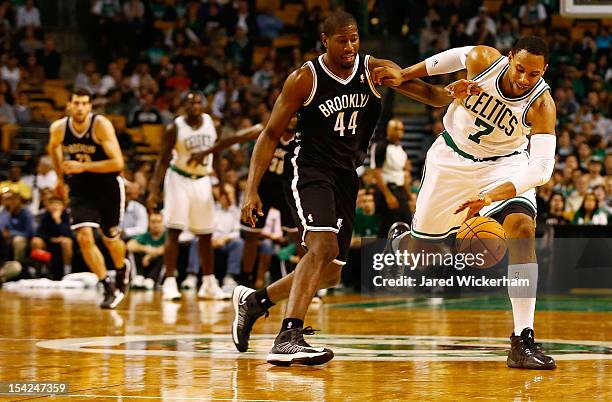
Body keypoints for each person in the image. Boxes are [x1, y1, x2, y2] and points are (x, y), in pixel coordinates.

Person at [234, 11, 467, 366]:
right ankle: (288, 335)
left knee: (329, 271)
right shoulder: (304, 79)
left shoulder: (374, 69)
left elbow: (432, 97)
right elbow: (268, 134)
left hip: (346, 174)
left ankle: (255, 302)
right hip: (308, 167)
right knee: (322, 244)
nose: (350, 46)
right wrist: (251, 189)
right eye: (342, 40)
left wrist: (454, 92)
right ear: (325, 41)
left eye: (354, 38)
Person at [374, 36, 557, 369]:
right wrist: (405, 74)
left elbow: (542, 169)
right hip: (452, 161)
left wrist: (490, 196)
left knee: (521, 228)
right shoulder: (482, 60)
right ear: (510, 57)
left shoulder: (541, 104)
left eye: (534, 74)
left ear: (544, 71)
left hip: (504, 165)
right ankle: (401, 241)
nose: (524, 79)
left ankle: (522, 339)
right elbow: (441, 68)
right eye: (520, 69)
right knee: (421, 256)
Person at [147, 91, 262, 301]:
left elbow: (216, 155)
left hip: (202, 180)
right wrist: (154, 190)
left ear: (204, 106)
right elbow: (162, 160)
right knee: (173, 231)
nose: (195, 106)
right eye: (190, 103)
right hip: (178, 178)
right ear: (184, 107)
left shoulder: (212, 124)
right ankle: (170, 282)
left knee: (206, 233)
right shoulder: (175, 128)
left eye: (199, 102)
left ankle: (209, 283)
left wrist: (221, 186)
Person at [48, 88, 131, 309]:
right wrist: (59, 178)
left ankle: (122, 267)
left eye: (85, 103)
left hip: (107, 185)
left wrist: (82, 166)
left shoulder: (100, 125)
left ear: (90, 106)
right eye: (76, 103)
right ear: (69, 105)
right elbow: (53, 148)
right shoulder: (59, 128)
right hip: (80, 186)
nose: (80, 107)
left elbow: (118, 163)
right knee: (84, 237)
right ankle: (107, 285)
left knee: (110, 239)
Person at [371, 118, 412, 237]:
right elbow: (376, 171)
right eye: (395, 129)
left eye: (401, 129)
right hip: (387, 191)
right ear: (388, 130)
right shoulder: (380, 146)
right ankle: (383, 255)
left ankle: (403, 254)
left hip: (400, 191)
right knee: (386, 228)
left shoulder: (401, 149)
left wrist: (408, 195)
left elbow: (403, 174)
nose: (399, 132)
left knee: (407, 224)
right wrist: (388, 195)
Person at [127, 211, 166, 289]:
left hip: (157, 268)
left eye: (158, 222)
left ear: (163, 223)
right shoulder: (145, 235)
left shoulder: (167, 236)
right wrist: (146, 249)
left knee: (164, 255)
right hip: (144, 265)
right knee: (136, 251)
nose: (155, 225)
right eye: (153, 222)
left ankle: (152, 279)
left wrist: (150, 255)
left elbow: (164, 249)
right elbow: (129, 245)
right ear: (149, 223)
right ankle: (138, 276)